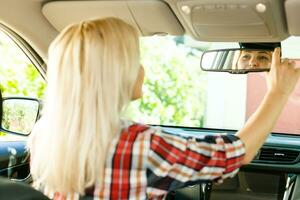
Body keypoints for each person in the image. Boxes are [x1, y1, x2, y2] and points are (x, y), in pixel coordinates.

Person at [28, 17, 300, 199]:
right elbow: (238, 154)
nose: (142, 68)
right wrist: (278, 91)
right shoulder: (138, 144)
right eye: (135, 58)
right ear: (115, 72)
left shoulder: (45, 134)